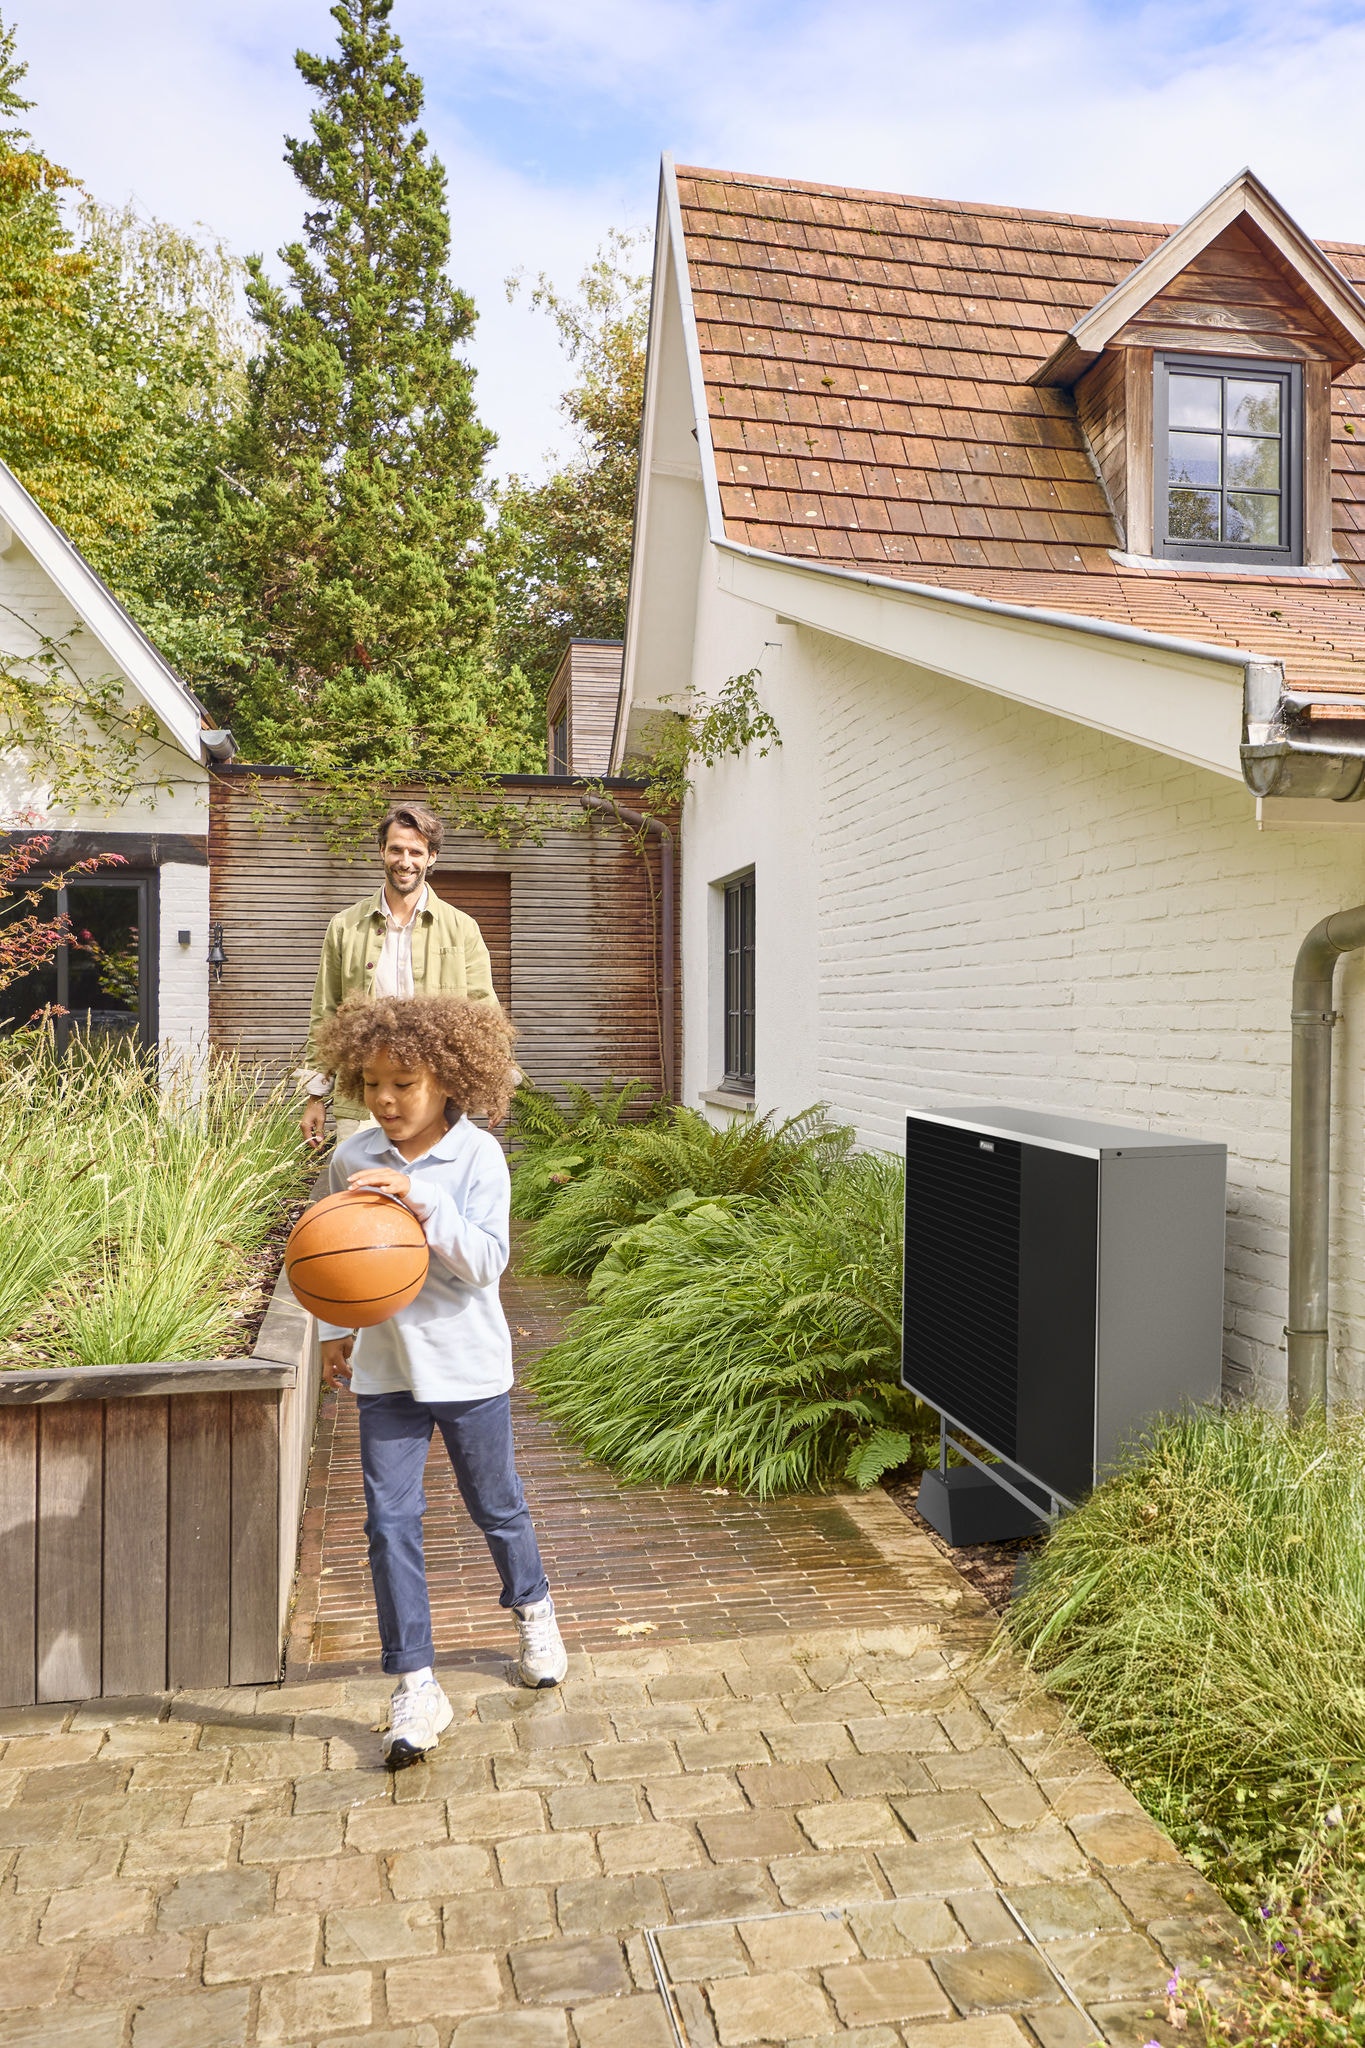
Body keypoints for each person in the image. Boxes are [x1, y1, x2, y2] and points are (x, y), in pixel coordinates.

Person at [313, 991, 567, 1768]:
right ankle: (415, 1683)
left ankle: (532, 1609)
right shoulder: (351, 1156)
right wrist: (331, 1331)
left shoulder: (477, 1158)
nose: (385, 1100)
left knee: (497, 1507)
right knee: (389, 1525)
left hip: (467, 1366)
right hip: (385, 1369)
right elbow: (322, 1246)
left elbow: (487, 1262)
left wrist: (421, 1200)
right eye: (372, 1083)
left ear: (450, 1080)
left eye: (405, 1084)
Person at [299, 802, 497, 1148]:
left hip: (437, 1095)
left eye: (416, 852)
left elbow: (484, 1011)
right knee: (365, 1196)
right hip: (363, 1099)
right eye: (396, 850)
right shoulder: (345, 927)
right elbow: (326, 1014)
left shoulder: (462, 928)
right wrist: (315, 1097)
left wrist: (496, 1081)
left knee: (430, 1198)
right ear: (382, 851)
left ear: (431, 857)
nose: (405, 861)